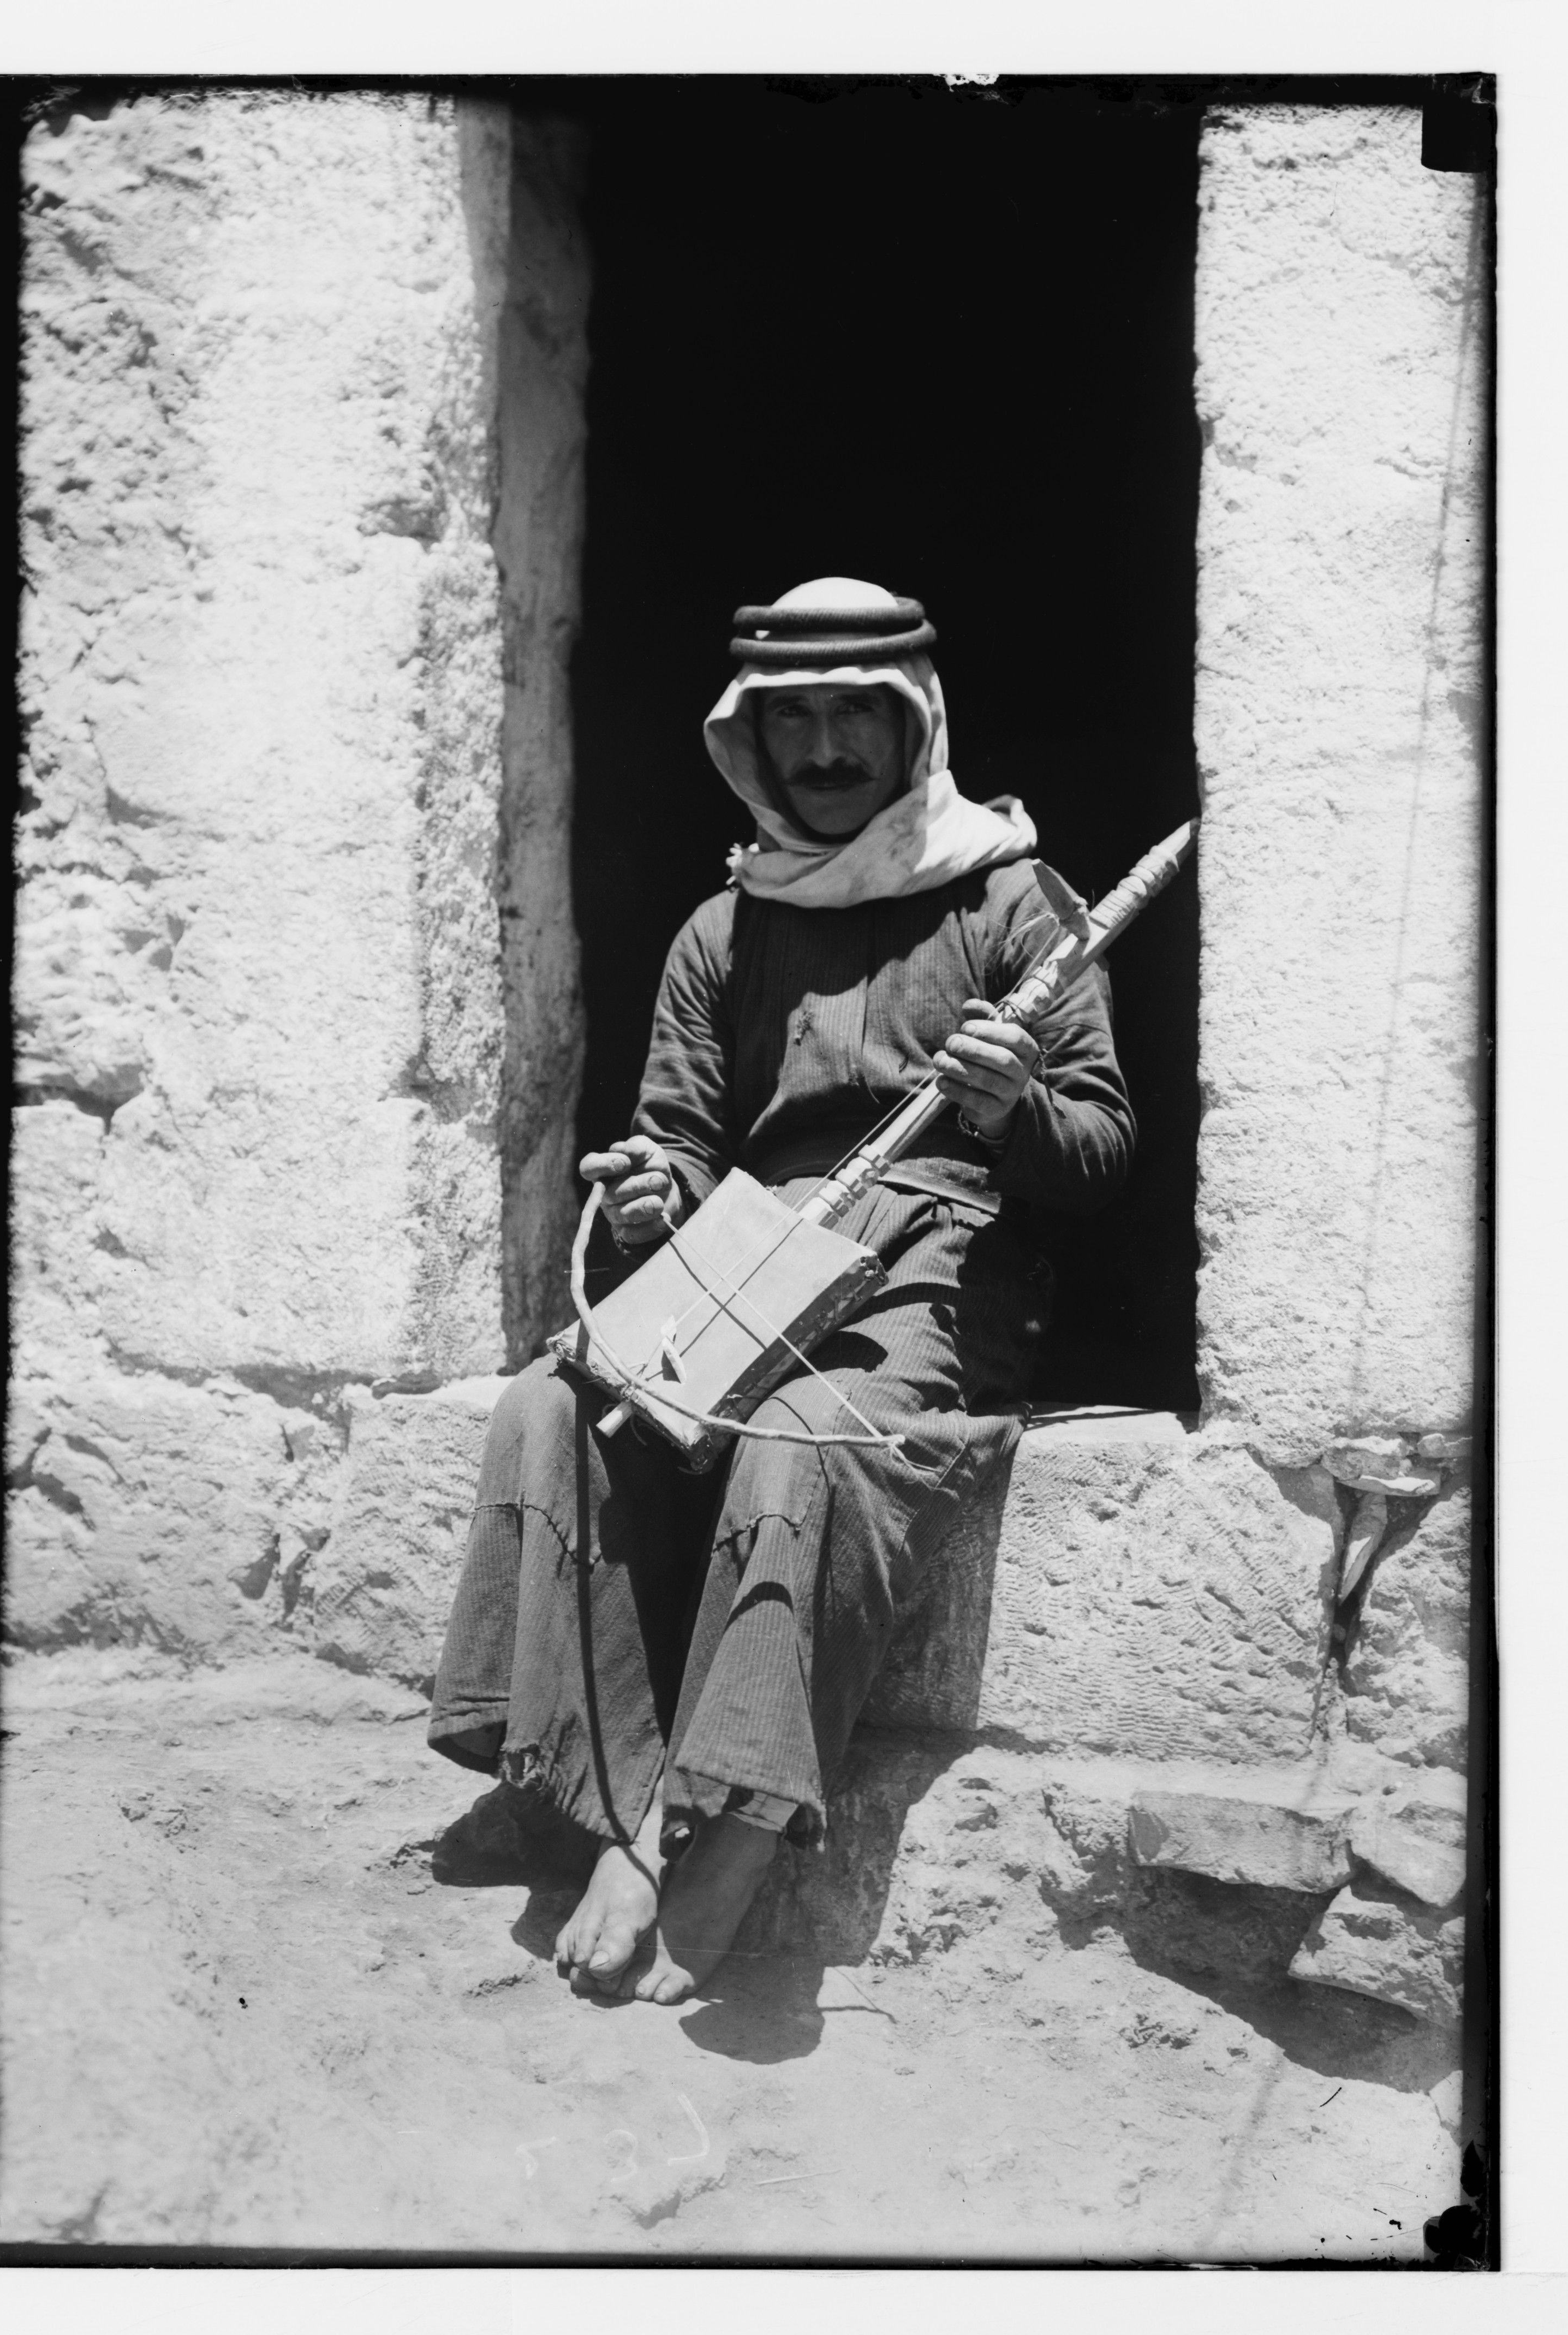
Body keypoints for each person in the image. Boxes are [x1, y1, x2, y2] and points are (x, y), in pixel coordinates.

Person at [427, 578, 1134, 2004]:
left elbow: (1102, 1153)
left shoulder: (1018, 902)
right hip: (744, 1255)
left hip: (935, 1262)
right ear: (747, 741)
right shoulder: (722, 927)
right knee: (548, 1412)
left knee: (795, 1444)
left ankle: (720, 1840)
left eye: (851, 715)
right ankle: (610, 1807)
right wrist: (653, 1195)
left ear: (914, 723)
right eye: (790, 719)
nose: (821, 749)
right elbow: (679, 1145)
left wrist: (1006, 1108)